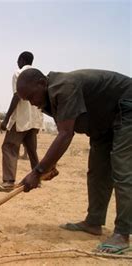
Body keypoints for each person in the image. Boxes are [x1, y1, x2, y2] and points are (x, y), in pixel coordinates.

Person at [16, 68, 131, 254]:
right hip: (103, 123)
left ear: (42, 83)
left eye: (31, 97)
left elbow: (65, 134)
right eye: (27, 100)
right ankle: (94, 222)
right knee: (97, 171)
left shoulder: (63, 87)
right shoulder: (48, 99)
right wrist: (48, 166)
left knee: (122, 169)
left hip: (127, 108)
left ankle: (122, 234)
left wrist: (37, 171)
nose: (32, 103)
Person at [0, 51, 43, 192]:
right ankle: (37, 179)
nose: (17, 63)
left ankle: (8, 182)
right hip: (35, 118)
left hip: (21, 118)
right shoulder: (39, 75)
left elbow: (17, 96)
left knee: (9, 146)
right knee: (31, 150)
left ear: (21, 60)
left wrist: (6, 119)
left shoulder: (19, 73)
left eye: (18, 60)